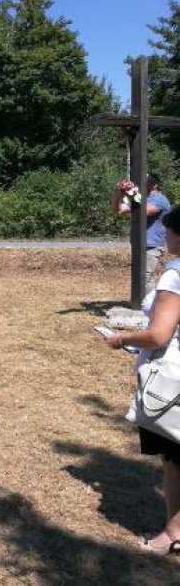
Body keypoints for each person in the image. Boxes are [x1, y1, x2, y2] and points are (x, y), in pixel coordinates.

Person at [105, 205, 180, 555]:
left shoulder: (175, 275)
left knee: (174, 459)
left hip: (172, 384)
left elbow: (158, 335)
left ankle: (173, 532)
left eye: (169, 231)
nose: (165, 237)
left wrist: (121, 339)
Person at [114, 174, 172, 291]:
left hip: (153, 246)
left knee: (146, 277)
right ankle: (144, 303)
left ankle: (151, 305)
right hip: (138, 245)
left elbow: (144, 211)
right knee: (139, 277)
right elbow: (118, 210)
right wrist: (117, 195)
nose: (142, 181)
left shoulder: (160, 200)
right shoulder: (140, 199)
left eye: (146, 179)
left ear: (155, 184)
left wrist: (131, 193)